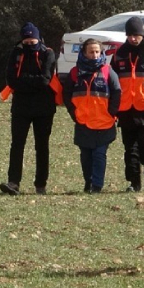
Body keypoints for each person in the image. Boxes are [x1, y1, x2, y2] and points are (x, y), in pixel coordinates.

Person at [0, 22, 58, 196]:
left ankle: (41, 184)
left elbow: (45, 80)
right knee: (17, 145)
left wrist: (24, 82)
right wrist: (32, 82)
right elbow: (11, 80)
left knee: (42, 146)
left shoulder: (48, 53)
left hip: (44, 108)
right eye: (26, 43)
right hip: (21, 108)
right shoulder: (16, 53)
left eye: (32, 42)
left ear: (38, 39)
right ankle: (13, 182)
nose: (29, 46)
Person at [63, 38, 121, 194]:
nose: (95, 55)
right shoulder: (75, 73)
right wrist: (73, 112)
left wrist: (112, 111)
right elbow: (66, 93)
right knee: (86, 156)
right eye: (91, 52)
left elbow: (117, 91)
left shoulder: (108, 71)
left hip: (104, 122)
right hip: (83, 122)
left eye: (97, 51)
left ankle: (97, 186)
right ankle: (88, 182)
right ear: (84, 53)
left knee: (99, 154)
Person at [113, 16, 144, 192]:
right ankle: (133, 182)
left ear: (142, 34)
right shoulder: (119, 53)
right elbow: (113, 79)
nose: (133, 38)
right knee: (130, 147)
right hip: (125, 108)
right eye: (130, 35)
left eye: (136, 35)